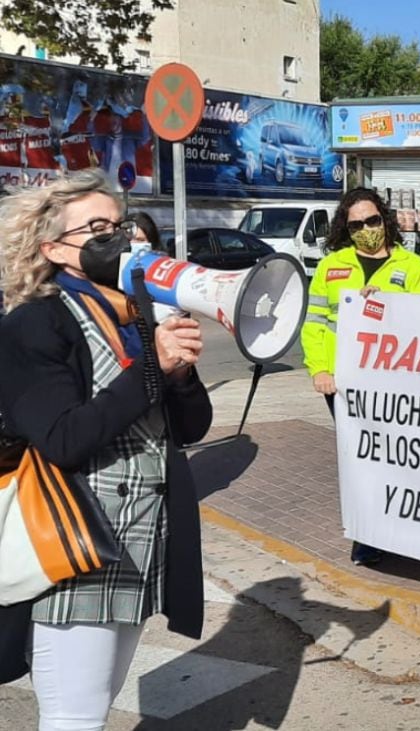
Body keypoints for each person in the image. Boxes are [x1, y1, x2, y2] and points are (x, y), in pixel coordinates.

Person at [0, 169, 212, 727]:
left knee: (94, 705)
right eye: (96, 229)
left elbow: (188, 429)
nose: (116, 239)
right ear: (54, 249)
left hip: (140, 540)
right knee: (75, 716)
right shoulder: (33, 323)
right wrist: (153, 366)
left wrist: (181, 375)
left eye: (119, 225)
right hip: (78, 543)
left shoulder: (134, 316)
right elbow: (64, 439)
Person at [302, 187, 420, 567]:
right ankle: (366, 536)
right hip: (343, 383)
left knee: (398, 457)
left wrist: (390, 305)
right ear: (347, 227)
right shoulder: (332, 267)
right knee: (359, 459)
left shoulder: (411, 266)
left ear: (385, 218)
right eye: (356, 224)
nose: (365, 229)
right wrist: (320, 370)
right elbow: (313, 324)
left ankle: (404, 529)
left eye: (372, 220)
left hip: (395, 381)